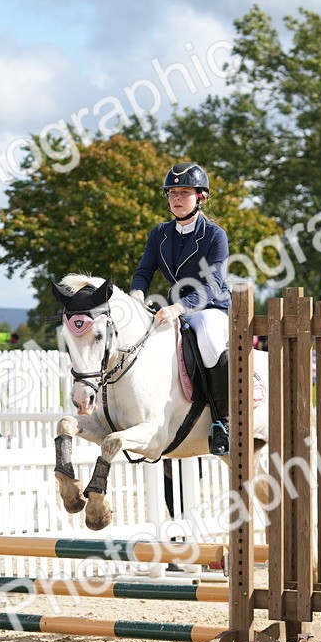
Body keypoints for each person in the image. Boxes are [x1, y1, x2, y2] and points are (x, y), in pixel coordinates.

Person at [129, 162, 232, 455]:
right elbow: (144, 270)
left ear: (200, 197)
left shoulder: (214, 235)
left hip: (210, 306)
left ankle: (223, 422)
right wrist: (137, 292)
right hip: (173, 305)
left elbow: (212, 283)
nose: (176, 198)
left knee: (209, 340)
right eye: (171, 192)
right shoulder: (160, 234)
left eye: (184, 192)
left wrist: (179, 308)